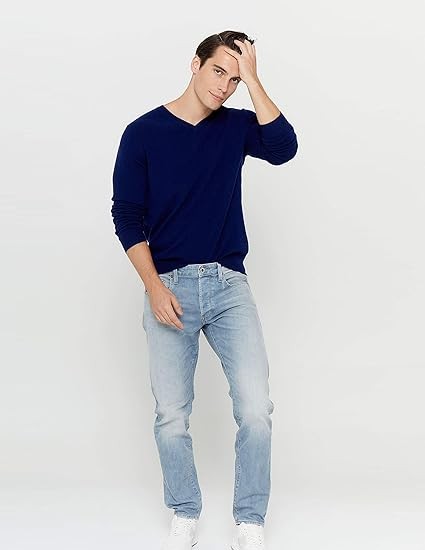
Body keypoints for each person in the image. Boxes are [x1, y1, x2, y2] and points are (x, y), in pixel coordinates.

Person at [111, 29, 298, 550]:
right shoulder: (143, 132)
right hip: (169, 285)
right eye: (219, 71)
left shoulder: (236, 127)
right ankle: (185, 510)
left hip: (228, 284)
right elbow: (127, 216)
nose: (224, 86)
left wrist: (254, 80)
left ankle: (249, 520)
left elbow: (284, 148)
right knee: (172, 416)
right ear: (195, 64)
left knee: (256, 410)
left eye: (233, 80)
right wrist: (153, 286)